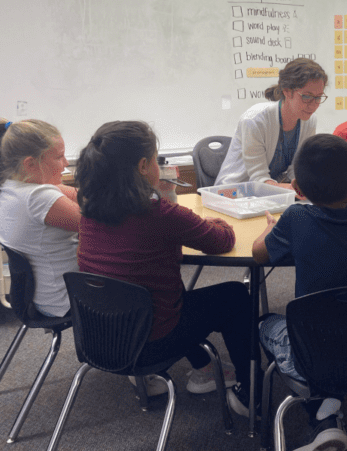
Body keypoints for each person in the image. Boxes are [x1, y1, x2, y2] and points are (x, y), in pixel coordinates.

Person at [76, 121, 256, 414]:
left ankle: (205, 366)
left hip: (101, 336)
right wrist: (217, 221)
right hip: (152, 341)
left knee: (166, 292)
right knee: (235, 296)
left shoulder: (89, 211)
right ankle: (251, 393)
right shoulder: (159, 213)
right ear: (144, 165)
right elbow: (222, 240)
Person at [253, 134, 347, 451]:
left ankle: (320, 409)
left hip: (313, 352)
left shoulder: (297, 217)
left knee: (264, 322)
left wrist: (271, 227)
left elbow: (259, 255)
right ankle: (329, 412)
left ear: (297, 189)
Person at [0, 118, 80, 318]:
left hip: (40, 298)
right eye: (59, 157)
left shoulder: (12, 187)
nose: (66, 163)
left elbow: (80, 195)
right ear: (31, 164)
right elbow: (97, 225)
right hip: (67, 300)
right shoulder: (39, 198)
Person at [216, 58, 328, 190]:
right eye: (307, 96)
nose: (314, 104)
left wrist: (307, 185)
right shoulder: (254, 120)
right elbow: (258, 178)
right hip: (234, 193)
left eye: (318, 97)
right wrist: (298, 189)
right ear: (287, 91)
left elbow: (296, 171)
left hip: (269, 194)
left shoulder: (309, 120)